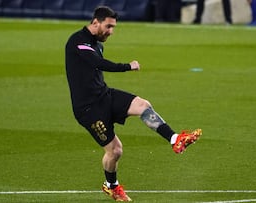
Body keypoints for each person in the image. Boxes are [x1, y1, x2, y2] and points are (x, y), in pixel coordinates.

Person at [65, 6, 202, 202]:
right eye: (108, 26)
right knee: (115, 151)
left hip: (104, 95)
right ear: (95, 22)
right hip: (88, 109)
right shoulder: (78, 41)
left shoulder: (97, 43)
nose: (111, 32)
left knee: (143, 105)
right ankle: (111, 186)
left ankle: (174, 139)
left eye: (113, 27)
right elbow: (98, 64)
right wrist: (127, 66)